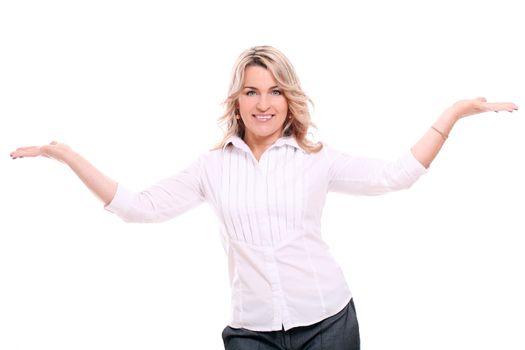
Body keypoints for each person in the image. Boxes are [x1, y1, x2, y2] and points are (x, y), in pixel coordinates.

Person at [10, 45, 518, 350]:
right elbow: (140, 207)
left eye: (275, 91)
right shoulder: (212, 167)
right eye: (252, 91)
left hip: (328, 324)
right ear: (237, 100)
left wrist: (450, 115)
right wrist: (66, 155)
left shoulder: (316, 159)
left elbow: (397, 175)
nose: (264, 103)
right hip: (251, 334)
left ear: (288, 98)